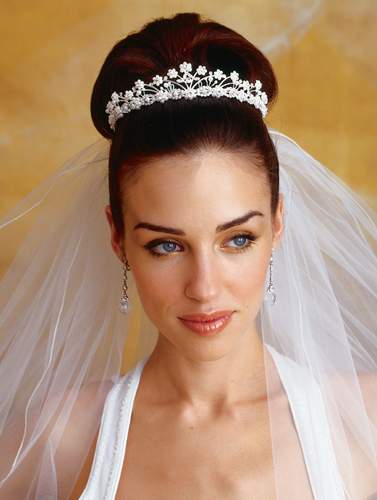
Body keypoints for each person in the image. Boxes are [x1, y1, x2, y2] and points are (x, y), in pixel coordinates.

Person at [0, 11, 376, 500]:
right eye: (166, 245)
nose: (204, 287)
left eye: (237, 239)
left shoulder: (363, 419)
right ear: (118, 237)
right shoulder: (59, 437)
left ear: (278, 223)